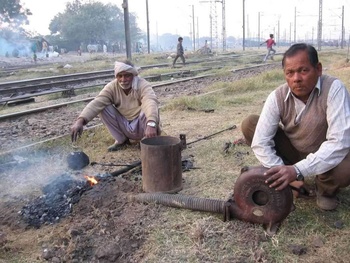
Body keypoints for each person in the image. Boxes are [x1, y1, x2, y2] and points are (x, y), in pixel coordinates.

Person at [241, 43, 350, 211]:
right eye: (289, 73)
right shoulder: (277, 96)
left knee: (346, 165)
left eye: (303, 71)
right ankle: (288, 181)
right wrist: (286, 175)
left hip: (325, 154)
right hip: (294, 151)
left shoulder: (334, 89)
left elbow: (339, 142)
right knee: (250, 124)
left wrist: (298, 170)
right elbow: (260, 142)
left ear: (318, 69)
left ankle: (325, 189)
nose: (296, 78)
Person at [71, 60, 161, 151]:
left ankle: (147, 141)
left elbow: (150, 101)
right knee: (103, 107)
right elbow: (97, 102)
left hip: (145, 127)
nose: (123, 80)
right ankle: (121, 140)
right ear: (116, 76)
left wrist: (151, 123)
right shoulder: (112, 87)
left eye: (127, 75)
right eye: (120, 76)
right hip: (125, 125)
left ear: (133, 75)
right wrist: (80, 120)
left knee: (148, 109)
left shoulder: (142, 84)